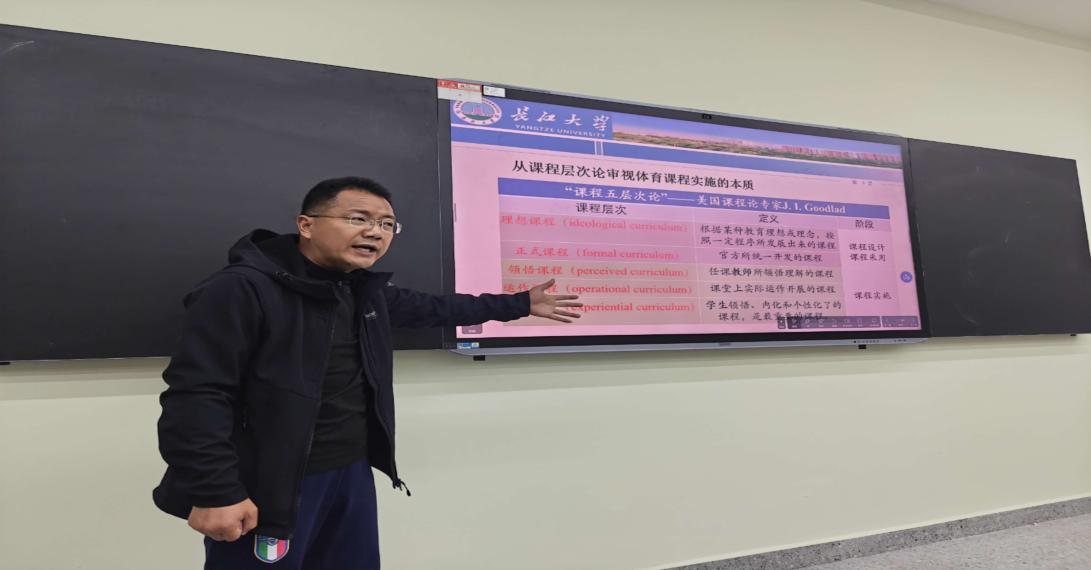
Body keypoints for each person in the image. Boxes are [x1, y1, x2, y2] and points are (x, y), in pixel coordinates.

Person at [153, 177, 581, 569]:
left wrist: (520, 304)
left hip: (349, 471)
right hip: (269, 481)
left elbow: (436, 308)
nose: (376, 232)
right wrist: (215, 491)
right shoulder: (241, 288)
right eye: (358, 218)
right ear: (306, 225)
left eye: (387, 224)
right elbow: (197, 395)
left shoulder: (359, 289)